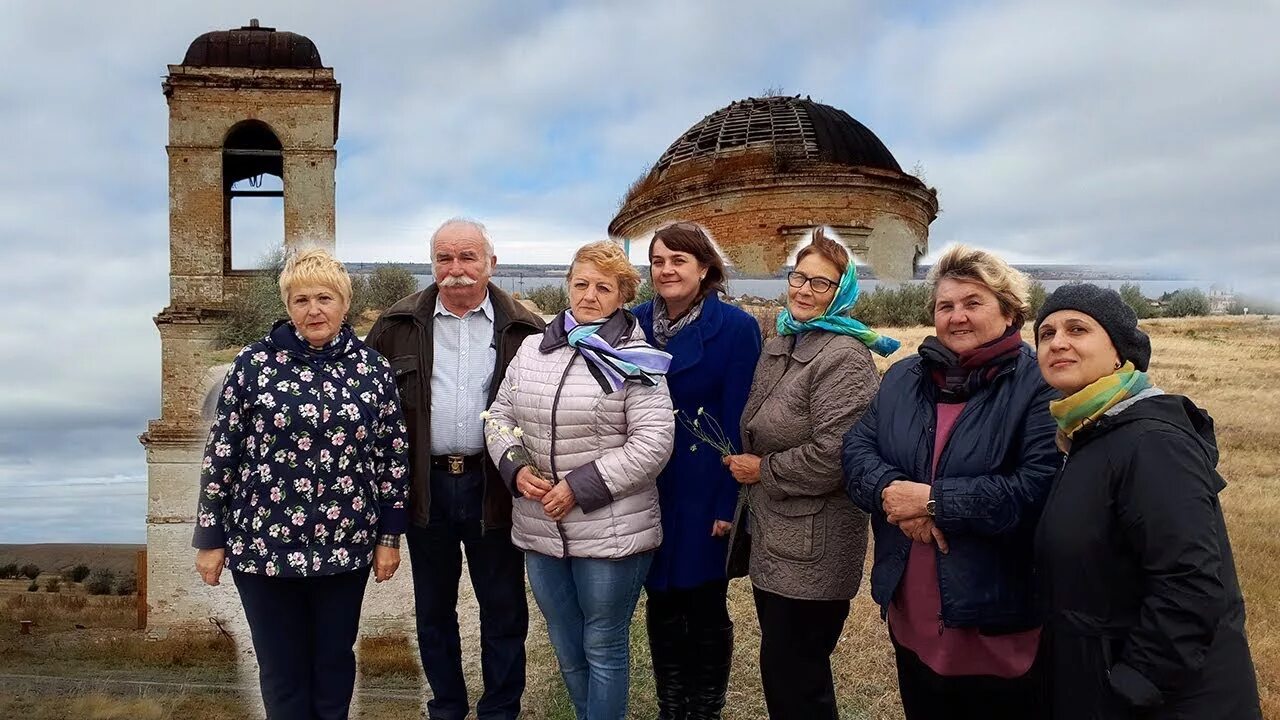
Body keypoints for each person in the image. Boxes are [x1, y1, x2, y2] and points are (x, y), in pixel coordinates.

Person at [842, 244, 1058, 720]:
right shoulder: (903, 378)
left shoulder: (1039, 385)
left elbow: (1038, 489)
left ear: (1009, 312)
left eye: (973, 303)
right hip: (913, 612)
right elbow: (857, 450)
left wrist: (936, 502)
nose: (957, 316)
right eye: (946, 305)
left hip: (997, 622)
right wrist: (891, 492)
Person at [193, 248, 410, 720]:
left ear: (344, 304)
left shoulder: (372, 370)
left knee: (333, 665)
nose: (314, 310)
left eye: (325, 298)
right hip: (262, 549)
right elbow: (222, 453)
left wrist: (388, 538)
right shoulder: (253, 365)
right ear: (288, 307)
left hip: (344, 549)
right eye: (301, 300)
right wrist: (210, 539)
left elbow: (392, 457)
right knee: (281, 671)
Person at [1034, 284, 1261, 719]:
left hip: (1171, 700)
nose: (1058, 342)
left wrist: (1135, 683)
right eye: (1046, 333)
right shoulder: (1088, 434)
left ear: (1119, 351)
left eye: (1077, 329)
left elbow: (1189, 583)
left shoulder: (1152, 442)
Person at [485, 240, 674, 720]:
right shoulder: (533, 348)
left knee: (603, 647)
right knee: (567, 647)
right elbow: (499, 415)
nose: (589, 296)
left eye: (603, 288)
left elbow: (653, 444)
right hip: (539, 527)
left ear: (623, 295)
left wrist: (578, 486)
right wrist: (515, 466)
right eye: (581, 284)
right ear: (568, 284)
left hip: (611, 530)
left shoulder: (637, 360)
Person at [364, 218, 544, 720]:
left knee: (504, 609)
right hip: (427, 487)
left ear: (491, 263)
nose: (457, 269)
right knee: (434, 612)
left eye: (468, 257)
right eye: (445, 258)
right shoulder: (397, 325)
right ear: (433, 265)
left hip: (495, 487)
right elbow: (368, 410)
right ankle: (446, 706)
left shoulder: (527, 330)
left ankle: (500, 710)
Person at [723, 228, 890, 720]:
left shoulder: (844, 357)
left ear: (843, 292)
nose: (804, 290)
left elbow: (837, 454)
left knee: (798, 679)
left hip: (815, 549)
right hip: (777, 541)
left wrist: (762, 469)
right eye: (799, 277)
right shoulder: (783, 342)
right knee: (784, 671)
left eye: (821, 284)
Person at [632, 222, 762, 720]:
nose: (666, 270)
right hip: (649, 482)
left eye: (678, 260)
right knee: (660, 598)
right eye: (658, 261)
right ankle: (671, 705)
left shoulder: (734, 328)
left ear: (704, 267)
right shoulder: (635, 323)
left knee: (705, 602)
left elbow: (738, 421)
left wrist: (727, 503)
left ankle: (704, 708)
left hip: (704, 482)